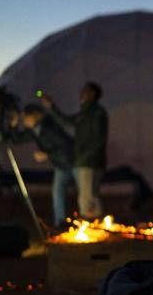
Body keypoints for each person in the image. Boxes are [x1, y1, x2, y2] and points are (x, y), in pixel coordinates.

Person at [41, 82, 108, 219]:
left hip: (89, 162)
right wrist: (52, 107)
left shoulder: (96, 113)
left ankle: (92, 225)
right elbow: (67, 121)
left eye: (85, 91)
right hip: (86, 161)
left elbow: (99, 139)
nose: (81, 93)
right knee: (89, 195)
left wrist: (85, 156)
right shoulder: (86, 113)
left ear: (93, 94)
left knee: (87, 197)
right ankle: (96, 225)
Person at [9, 104, 75, 227]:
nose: (24, 121)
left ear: (34, 115)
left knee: (82, 194)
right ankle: (60, 224)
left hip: (75, 163)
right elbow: (17, 140)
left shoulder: (49, 127)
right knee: (58, 194)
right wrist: (13, 126)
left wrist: (47, 155)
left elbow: (67, 147)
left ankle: (87, 222)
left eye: (25, 118)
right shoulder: (35, 130)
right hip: (61, 165)